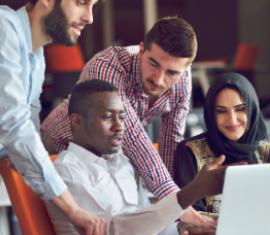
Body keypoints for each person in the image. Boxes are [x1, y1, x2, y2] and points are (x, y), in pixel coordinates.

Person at [41, 16, 211, 226]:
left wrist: (175, 211)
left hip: (108, 152)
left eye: (172, 72)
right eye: (153, 64)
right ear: (141, 50)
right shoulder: (108, 66)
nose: (159, 78)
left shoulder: (182, 82)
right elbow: (133, 137)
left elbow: (171, 144)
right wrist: (179, 205)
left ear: (184, 70)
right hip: (58, 143)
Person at [0, 1, 106, 234]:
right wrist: (71, 209)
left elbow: (28, 138)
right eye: (81, 2)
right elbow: (13, 126)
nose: (90, 17)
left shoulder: (36, 58)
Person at [45, 79, 227, 235]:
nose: (119, 127)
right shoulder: (65, 172)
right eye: (108, 117)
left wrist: (180, 228)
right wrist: (193, 191)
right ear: (77, 122)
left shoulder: (122, 162)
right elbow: (116, 230)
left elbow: (146, 223)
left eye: (122, 118)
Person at [173, 72, 270, 216]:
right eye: (221, 111)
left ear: (252, 109)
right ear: (211, 114)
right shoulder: (190, 152)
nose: (232, 120)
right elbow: (188, 216)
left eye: (240, 109)